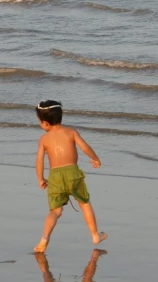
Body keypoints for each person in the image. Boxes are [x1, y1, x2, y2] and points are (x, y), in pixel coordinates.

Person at [34, 100, 106, 253]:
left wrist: (40, 178)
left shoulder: (44, 139)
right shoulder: (71, 132)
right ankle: (95, 235)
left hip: (55, 177)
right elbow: (84, 146)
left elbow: (39, 159)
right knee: (84, 203)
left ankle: (45, 237)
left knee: (55, 211)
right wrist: (95, 159)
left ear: (45, 123)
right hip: (73, 173)